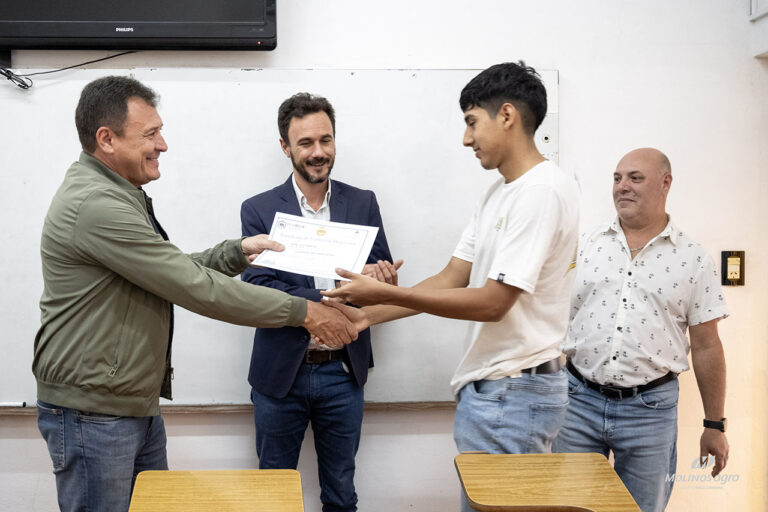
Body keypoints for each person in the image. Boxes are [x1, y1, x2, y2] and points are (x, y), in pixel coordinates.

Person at [33, 76, 357, 512]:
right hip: (95, 413)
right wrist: (305, 312)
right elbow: (193, 287)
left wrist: (236, 252)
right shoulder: (96, 204)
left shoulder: (118, 194)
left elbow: (169, 269)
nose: (162, 144)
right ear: (106, 139)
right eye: (150, 134)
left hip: (127, 404)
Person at [321, 62, 580, 511]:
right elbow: (451, 278)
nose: (466, 139)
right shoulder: (500, 192)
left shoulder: (542, 192)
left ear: (506, 116)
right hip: (494, 392)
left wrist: (385, 293)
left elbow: (494, 302)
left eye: (471, 122)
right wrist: (366, 316)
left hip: (515, 394)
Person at [240, 92, 400, 512]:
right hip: (281, 376)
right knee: (273, 495)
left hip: (343, 372)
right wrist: (332, 295)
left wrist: (383, 279)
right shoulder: (258, 210)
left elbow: (378, 270)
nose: (318, 153)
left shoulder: (362, 201)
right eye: (306, 143)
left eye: (325, 141)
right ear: (285, 147)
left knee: (342, 493)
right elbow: (258, 287)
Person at [552, 148, 729, 512]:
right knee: (566, 506)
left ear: (666, 183)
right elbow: (553, 314)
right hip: (578, 402)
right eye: (617, 179)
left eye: (635, 178)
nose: (622, 187)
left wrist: (715, 423)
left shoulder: (693, 259)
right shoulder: (585, 246)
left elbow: (708, 346)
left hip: (650, 412)